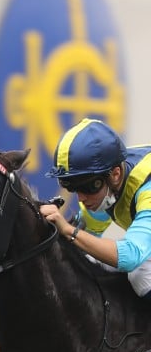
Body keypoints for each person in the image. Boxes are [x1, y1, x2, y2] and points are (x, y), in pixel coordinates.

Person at [39, 118, 151, 298]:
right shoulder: (109, 173)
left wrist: (68, 230)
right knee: (93, 260)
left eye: (87, 186)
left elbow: (130, 256)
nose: (81, 198)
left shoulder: (147, 191)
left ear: (115, 174)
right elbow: (86, 242)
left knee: (142, 274)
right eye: (73, 188)